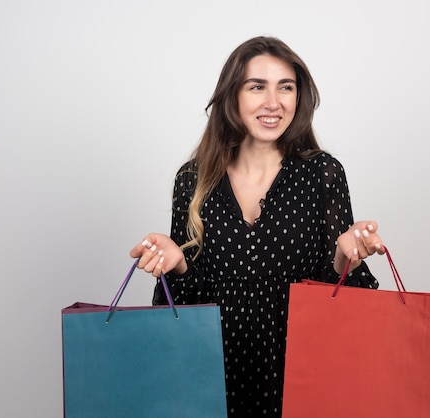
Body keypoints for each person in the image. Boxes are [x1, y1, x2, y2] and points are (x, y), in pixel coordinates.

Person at [129, 36, 384, 418]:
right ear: (232, 96)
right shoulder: (193, 179)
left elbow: (336, 302)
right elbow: (187, 307)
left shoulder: (322, 175)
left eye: (286, 87)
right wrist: (177, 265)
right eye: (257, 86)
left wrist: (346, 256)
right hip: (213, 375)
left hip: (301, 373)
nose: (273, 102)